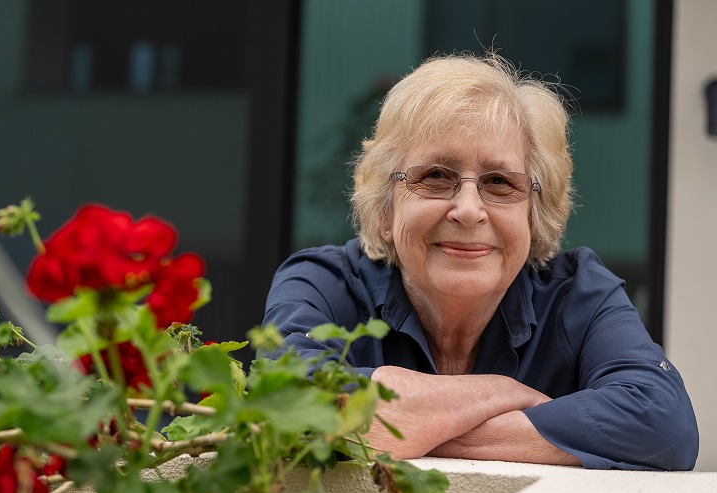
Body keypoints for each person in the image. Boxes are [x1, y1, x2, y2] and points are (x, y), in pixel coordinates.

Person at [262, 53, 698, 470]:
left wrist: (413, 425)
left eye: (499, 182)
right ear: (385, 210)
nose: (469, 210)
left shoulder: (580, 294)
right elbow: (285, 404)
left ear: (534, 213)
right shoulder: (323, 284)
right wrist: (500, 393)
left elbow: (665, 424)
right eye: (434, 176)